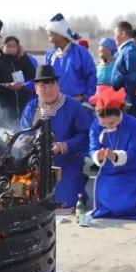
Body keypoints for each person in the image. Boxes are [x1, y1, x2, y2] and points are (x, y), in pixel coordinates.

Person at [21, 64, 91, 211]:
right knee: (30, 202)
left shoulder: (73, 106)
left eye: (51, 84)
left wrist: (65, 146)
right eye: (42, 86)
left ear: (58, 85)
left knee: (64, 203)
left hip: (66, 161)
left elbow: (85, 135)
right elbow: (24, 133)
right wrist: (28, 143)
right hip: (37, 164)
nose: (48, 89)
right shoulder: (31, 107)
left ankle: (78, 182)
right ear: (36, 88)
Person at [89, 86, 136, 219]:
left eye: (111, 123)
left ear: (119, 112)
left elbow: (134, 152)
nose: (108, 126)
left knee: (125, 207)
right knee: (106, 206)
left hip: (133, 170)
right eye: (104, 124)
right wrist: (98, 156)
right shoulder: (96, 125)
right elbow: (93, 147)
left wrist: (115, 156)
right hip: (109, 172)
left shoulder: (134, 124)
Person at [112, 21, 136, 151]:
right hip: (127, 98)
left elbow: (133, 77)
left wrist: (128, 101)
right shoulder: (125, 50)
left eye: (115, 34)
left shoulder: (130, 51)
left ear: (123, 34)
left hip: (133, 102)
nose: (114, 38)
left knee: (134, 136)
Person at [45, 13, 97, 102]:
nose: (49, 40)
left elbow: (91, 78)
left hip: (78, 104)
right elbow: (45, 80)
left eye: (51, 35)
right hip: (56, 105)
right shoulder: (50, 55)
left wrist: (88, 101)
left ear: (60, 35)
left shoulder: (81, 52)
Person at [0, 36, 36, 125]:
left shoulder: (21, 61)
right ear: (2, 47)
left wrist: (24, 56)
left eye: (14, 46)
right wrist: (8, 85)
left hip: (22, 107)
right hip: (5, 108)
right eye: (8, 46)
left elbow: (34, 75)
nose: (12, 49)